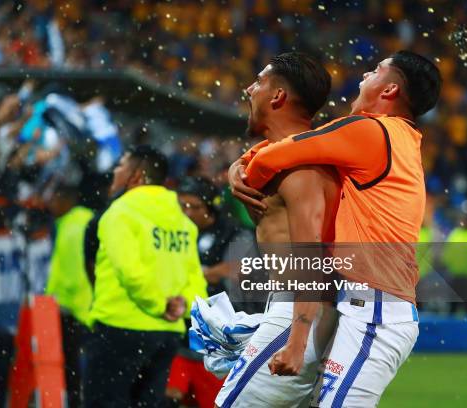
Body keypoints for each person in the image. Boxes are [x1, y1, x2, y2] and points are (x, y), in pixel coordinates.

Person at [230, 50, 441, 407]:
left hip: (375, 311)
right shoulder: (402, 139)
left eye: (374, 70)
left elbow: (277, 154)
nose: (362, 77)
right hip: (371, 306)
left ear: (389, 89)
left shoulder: (370, 130)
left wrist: (240, 174)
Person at [215, 52, 339, 408]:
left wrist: (297, 338)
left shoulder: (300, 168)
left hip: (300, 310)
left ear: (278, 97)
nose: (247, 89)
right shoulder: (284, 157)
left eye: (258, 82)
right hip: (298, 307)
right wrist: (236, 169)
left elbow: (311, 256)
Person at [85, 145, 208, 408]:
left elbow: (131, 272)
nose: (114, 172)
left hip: (121, 326)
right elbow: (195, 278)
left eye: (120, 166)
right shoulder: (182, 221)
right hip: (166, 335)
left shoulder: (120, 213)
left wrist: (159, 303)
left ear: (136, 175)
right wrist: (183, 304)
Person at [167, 176, 253, 408]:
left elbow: (235, 270)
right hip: (180, 333)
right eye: (181, 206)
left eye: (193, 207)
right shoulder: (173, 230)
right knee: (171, 398)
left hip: (218, 337)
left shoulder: (235, 233)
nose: (185, 212)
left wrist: (198, 274)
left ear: (211, 206)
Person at [44, 180, 94, 407]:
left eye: (53, 199)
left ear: (65, 200)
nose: (49, 204)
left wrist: (60, 302)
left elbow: (76, 273)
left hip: (76, 310)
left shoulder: (74, 228)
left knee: (74, 369)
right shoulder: (78, 221)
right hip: (85, 308)